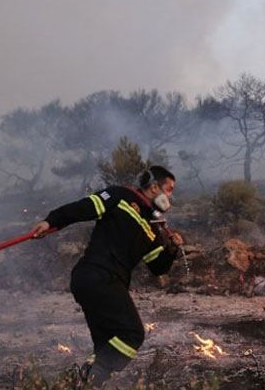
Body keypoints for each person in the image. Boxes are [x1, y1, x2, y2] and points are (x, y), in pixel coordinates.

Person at [30, 166, 183, 388]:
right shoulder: (121, 195)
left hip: (104, 282)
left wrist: (172, 250)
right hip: (96, 275)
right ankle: (91, 382)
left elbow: (158, 268)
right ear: (153, 187)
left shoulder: (153, 225)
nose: (170, 196)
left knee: (106, 346)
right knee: (132, 334)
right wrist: (51, 221)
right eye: (168, 190)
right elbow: (83, 208)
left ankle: (81, 382)